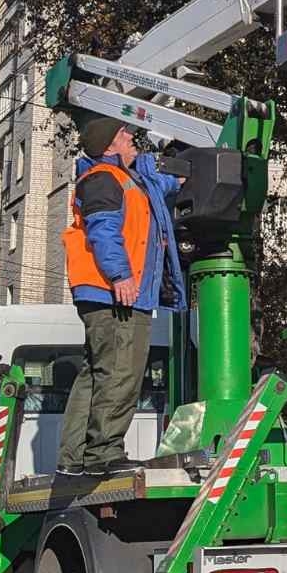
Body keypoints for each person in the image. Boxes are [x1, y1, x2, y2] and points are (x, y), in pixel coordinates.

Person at [57, 116, 184, 477]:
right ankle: (105, 455)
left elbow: (153, 188)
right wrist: (121, 274)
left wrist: (177, 179)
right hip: (116, 292)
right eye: (125, 132)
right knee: (120, 373)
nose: (132, 137)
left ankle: (75, 457)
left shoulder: (127, 179)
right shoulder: (103, 178)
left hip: (107, 294)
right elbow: (104, 230)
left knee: (97, 373)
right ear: (110, 144)